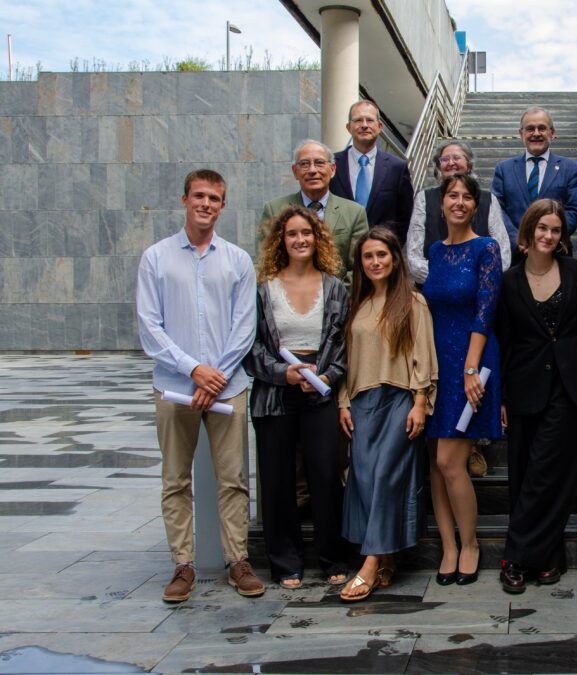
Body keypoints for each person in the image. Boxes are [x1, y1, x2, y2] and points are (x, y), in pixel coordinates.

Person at [136, 169, 264, 602]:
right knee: (175, 479)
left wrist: (216, 376)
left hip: (227, 386)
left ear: (223, 205)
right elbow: (149, 327)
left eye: (214, 198)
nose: (206, 204)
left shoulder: (237, 260)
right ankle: (183, 565)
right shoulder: (156, 257)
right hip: (174, 386)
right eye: (199, 196)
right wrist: (193, 369)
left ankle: (238, 561)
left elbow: (244, 328)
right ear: (184, 199)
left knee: (233, 480)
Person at [244, 205, 350, 589]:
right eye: (291, 234)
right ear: (280, 241)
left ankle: (332, 557)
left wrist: (324, 376)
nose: (300, 240)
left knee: (325, 476)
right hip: (275, 394)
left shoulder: (335, 287)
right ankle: (285, 562)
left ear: (317, 237)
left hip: (319, 392)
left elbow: (342, 344)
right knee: (277, 480)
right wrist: (283, 373)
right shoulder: (263, 290)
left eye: (307, 233)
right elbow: (251, 347)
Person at [337, 228, 437, 602]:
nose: (375, 262)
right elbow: (347, 360)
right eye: (368, 256)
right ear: (361, 263)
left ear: (395, 259)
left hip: (399, 400)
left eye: (382, 254)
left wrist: (420, 402)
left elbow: (424, 355)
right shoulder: (357, 304)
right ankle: (388, 562)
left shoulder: (413, 302)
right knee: (365, 480)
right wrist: (343, 402)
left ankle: (369, 562)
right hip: (363, 403)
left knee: (385, 477)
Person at [495, 199, 577, 594]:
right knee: (523, 472)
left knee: (551, 473)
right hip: (522, 386)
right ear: (529, 231)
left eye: (556, 229)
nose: (549, 235)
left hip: (568, 386)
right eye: (543, 228)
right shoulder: (509, 280)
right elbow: (503, 340)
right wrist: (499, 394)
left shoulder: (576, 271)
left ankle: (514, 557)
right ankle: (549, 555)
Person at [422, 173, 504, 586]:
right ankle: (448, 547)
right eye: (451, 196)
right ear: (441, 204)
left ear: (476, 205)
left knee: (450, 462)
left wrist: (470, 369)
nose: (458, 202)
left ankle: (470, 544)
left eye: (466, 197)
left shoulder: (487, 248)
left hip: (471, 361)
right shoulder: (435, 251)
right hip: (437, 363)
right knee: (436, 467)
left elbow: (484, 312)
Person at [260, 140, 370, 289]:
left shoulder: (354, 213)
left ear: (332, 169)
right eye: (304, 164)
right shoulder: (275, 210)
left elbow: (359, 267)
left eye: (319, 163)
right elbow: (268, 263)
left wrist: (335, 300)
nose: (312, 170)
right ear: (295, 171)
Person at [405, 140, 512, 284]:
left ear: (469, 165)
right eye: (444, 159)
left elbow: (503, 254)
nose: (450, 162)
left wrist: (470, 280)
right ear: (439, 166)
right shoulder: (424, 198)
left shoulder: (488, 199)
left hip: (479, 290)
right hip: (433, 289)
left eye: (456, 158)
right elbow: (413, 258)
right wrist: (449, 279)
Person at [491, 107, 577, 255]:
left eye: (542, 128)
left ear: (552, 133)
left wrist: (550, 238)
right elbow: (497, 209)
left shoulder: (571, 168)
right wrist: (518, 240)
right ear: (521, 134)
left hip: (556, 253)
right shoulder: (504, 169)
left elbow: (573, 210)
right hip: (516, 255)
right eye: (530, 129)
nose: (536, 133)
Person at [329, 99, 414, 243]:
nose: (364, 125)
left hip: (381, 254)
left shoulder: (397, 167)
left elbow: (405, 216)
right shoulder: (331, 165)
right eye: (358, 120)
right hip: (340, 255)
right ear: (348, 127)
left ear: (380, 126)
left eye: (369, 120)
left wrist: (390, 248)